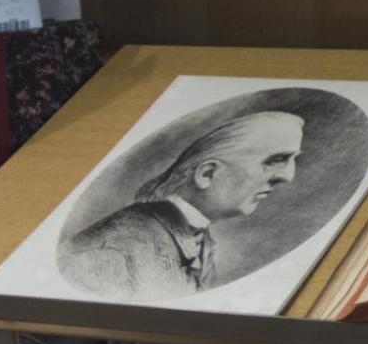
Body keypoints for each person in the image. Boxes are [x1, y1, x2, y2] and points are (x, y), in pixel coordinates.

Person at [60, 111, 305, 299]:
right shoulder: (115, 250)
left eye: (293, 160)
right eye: (275, 161)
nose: (287, 176)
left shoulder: (198, 238)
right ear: (207, 174)